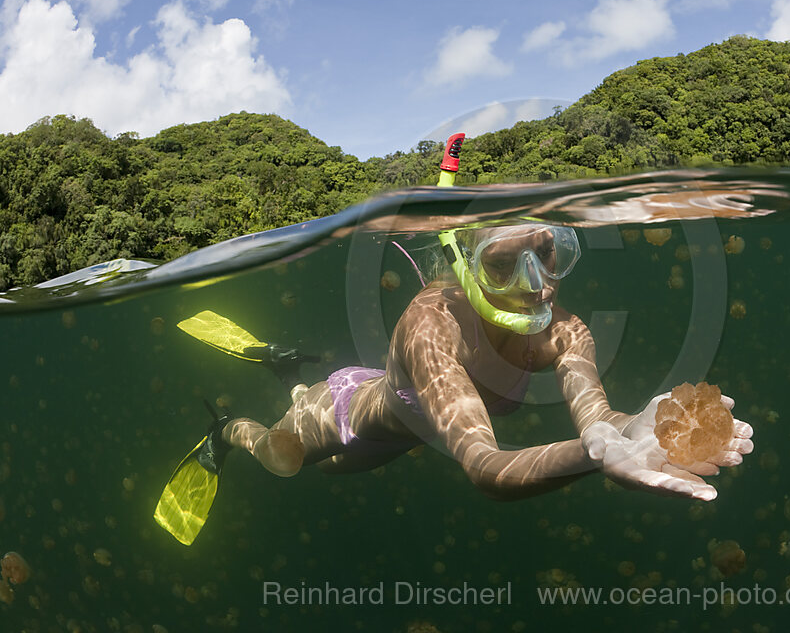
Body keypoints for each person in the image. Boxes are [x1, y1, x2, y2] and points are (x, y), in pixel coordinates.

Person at [154, 137, 754, 546]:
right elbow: (485, 466)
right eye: (508, 267)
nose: (540, 288)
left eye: (550, 257)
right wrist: (592, 456)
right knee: (281, 456)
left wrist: (633, 428)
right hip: (348, 421)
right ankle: (227, 429)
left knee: (313, 409)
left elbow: (595, 413)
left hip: (391, 421)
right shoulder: (429, 327)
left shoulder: (564, 331)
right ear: (465, 269)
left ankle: (285, 366)